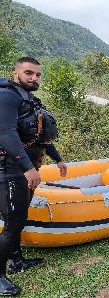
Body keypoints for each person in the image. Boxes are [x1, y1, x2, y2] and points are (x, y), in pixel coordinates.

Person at [0, 57, 66, 296]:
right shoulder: (8, 97)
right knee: (13, 224)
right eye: (28, 73)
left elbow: (38, 135)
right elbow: (5, 133)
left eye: (37, 74)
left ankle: (17, 261)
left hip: (26, 170)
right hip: (10, 171)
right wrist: (27, 168)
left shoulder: (28, 100)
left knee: (19, 219)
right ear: (15, 72)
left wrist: (57, 158)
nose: (34, 78)